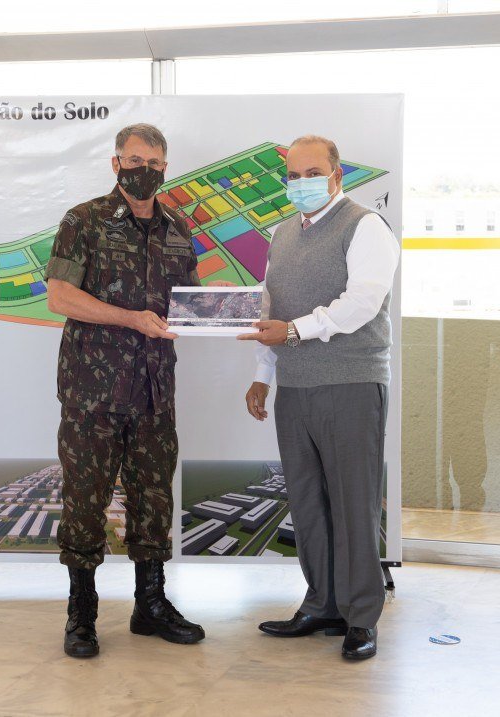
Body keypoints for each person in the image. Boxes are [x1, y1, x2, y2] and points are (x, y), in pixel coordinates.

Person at [45, 123, 206, 658]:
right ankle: (81, 612)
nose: (147, 172)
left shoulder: (179, 228)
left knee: (154, 498)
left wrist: (227, 316)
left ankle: (150, 604)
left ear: (165, 167)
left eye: (157, 164)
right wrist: (131, 319)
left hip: (155, 390)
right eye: (136, 161)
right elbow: (61, 297)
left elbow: (191, 302)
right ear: (116, 163)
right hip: (93, 392)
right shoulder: (84, 221)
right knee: (86, 502)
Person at [238, 135, 400, 661]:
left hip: (351, 383)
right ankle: (321, 604)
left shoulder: (366, 226)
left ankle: (360, 618)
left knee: (354, 503)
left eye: (312, 172)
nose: (300, 182)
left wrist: (293, 333)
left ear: (337, 175)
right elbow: (271, 309)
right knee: (307, 502)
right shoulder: (281, 233)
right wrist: (264, 373)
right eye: (293, 173)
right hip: (296, 387)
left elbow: (361, 303)